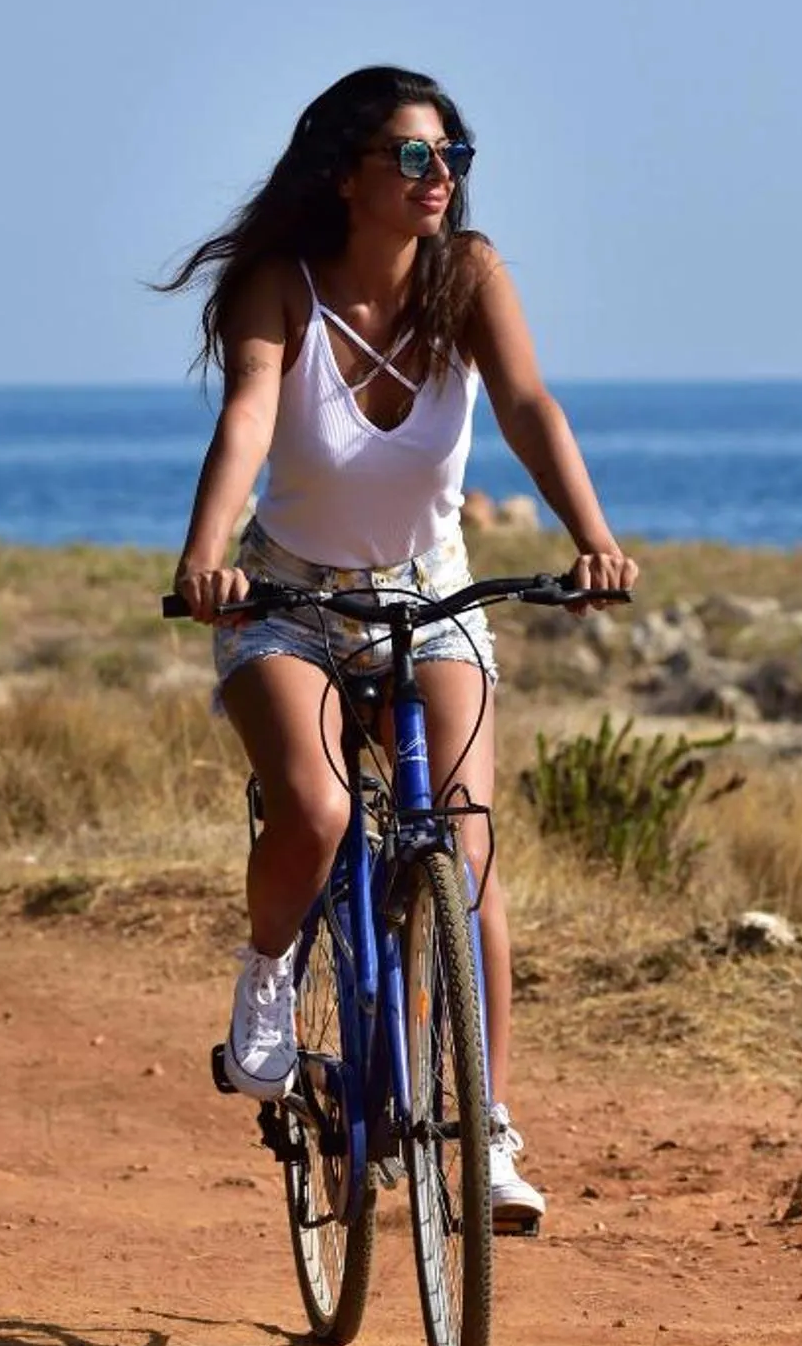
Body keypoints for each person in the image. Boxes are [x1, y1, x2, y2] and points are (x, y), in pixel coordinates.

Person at [161, 66, 637, 1234]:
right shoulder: (283, 286)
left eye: (453, 157)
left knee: (462, 850)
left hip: (429, 590)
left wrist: (593, 540)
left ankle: (484, 1131)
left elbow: (529, 407)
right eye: (414, 158)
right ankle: (271, 975)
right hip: (286, 597)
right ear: (346, 174)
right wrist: (205, 556)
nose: (440, 180)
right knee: (317, 814)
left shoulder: (466, 277)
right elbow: (250, 421)